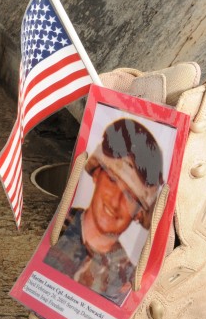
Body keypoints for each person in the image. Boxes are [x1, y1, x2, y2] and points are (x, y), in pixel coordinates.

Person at [43, 117, 164, 306]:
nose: (115, 201)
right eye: (112, 180)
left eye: (131, 197)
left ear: (140, 213)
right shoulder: (56, 229)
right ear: (96, 174)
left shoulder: (127, 281)